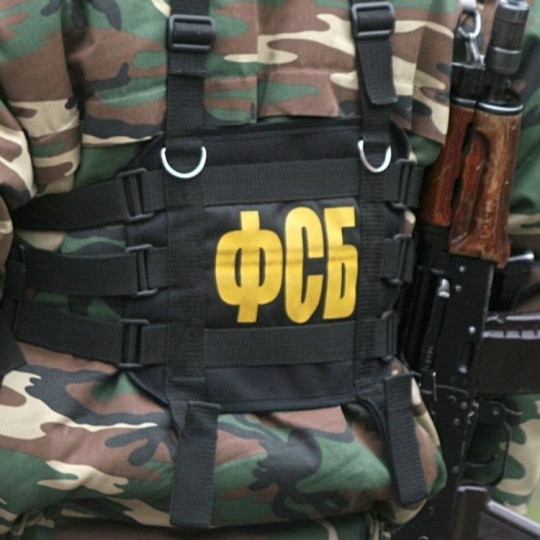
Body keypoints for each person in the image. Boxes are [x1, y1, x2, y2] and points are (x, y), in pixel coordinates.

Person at [7, 0, 538, 538]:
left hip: (72, 503)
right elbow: (519, 302)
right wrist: (486, 492)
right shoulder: (471, 13)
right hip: (363, 503)